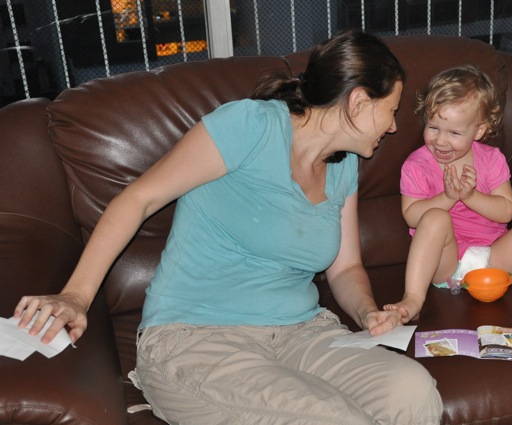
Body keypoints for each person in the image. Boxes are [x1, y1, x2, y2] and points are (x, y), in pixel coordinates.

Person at [13, 30, 443, 424]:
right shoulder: (249, 125)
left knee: (413, 391)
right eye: (390, 110)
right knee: (331, 418)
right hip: (196, 339)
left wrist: (367, 312)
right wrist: (76, 295)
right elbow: (139, 198)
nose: (394, 126)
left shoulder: (346, 165)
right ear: (358, 102)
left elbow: (346, 268)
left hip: (303, 333)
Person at [385, 64, 512, 327]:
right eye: (433, 128)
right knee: (434, 217)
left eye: (454, 133)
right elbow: (411, 217)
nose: (441, 141)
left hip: (493, 258)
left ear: (478, 131)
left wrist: (469, 196)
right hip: (445, 263)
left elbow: (506, 211)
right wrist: (447, 197)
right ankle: (413, 299)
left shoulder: (491, 159)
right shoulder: (416, 165)